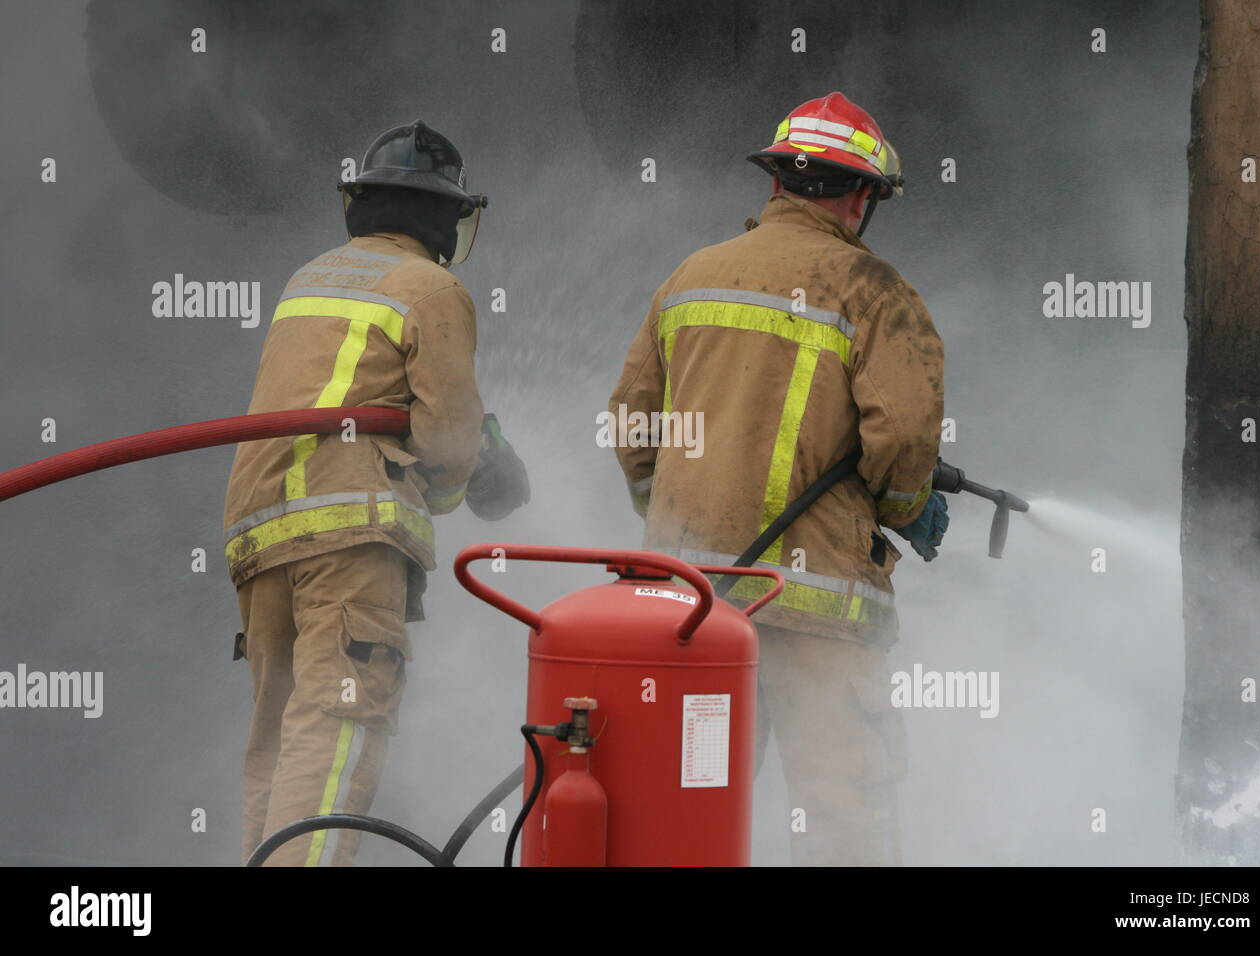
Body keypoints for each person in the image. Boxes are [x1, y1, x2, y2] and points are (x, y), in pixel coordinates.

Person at [608, 92, 946, 865]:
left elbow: (632, 424)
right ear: (862, 197)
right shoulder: (877, 293)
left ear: (775, 186)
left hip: (691, 607)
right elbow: (901, 444)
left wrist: (672, 520)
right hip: (816, 614)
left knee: (682, 814)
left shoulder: (691, 276)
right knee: (844, 815)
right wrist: (905, 508)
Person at [224, 120, 529, 866]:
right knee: (336, 728)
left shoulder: (310, 277)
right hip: (348, 538)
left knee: (280, 738)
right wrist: (466, 484)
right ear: (444, 216)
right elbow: (451, 442)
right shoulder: (432, 286)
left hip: (261, 533)